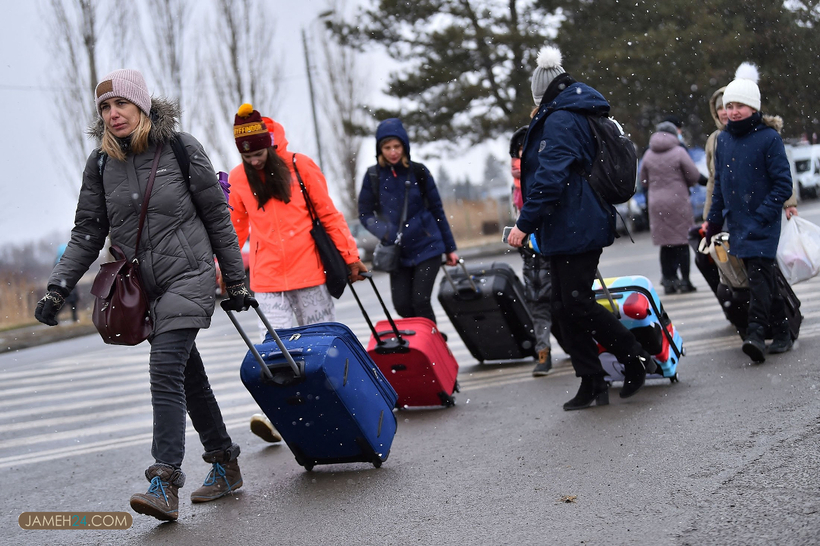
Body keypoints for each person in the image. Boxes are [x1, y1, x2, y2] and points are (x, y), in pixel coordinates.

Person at [34, 69, 254, 521]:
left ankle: (164, 480)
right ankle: (225, 461)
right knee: (187, 376)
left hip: (189, 276)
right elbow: (88, 232)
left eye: (121, 105)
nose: (113, 114)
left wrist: (235, 281)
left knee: (165, 366)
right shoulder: (99, 164)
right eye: (104, 108)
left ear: (142, 106)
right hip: (142, 286)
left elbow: (217, 218)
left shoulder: (180, 147)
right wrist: (58, 287)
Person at [506, 45, 658, 410]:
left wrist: (524, 224)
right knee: (563, 307)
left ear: (541, 94)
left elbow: (550, 178)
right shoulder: (566, 112)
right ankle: (592, 380)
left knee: (575, 303)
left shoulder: (560, 119)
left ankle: (634, 355)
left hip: (578, 224)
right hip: (567, 225)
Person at [228, 103, 367, 444]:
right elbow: (234, 229)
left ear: (269, 144)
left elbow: (329, 215)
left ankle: (338, 405)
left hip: (311, 274)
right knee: (274, 353)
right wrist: (223, 268)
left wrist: (351, 258)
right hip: (266, 280)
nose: (254, 161)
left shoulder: (299, 166)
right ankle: (278, 415)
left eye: (259, 153)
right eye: (248, 157)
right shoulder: (237, 178)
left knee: (318, 349)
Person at [704, 68, 795, 363]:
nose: (733, 112)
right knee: (762, 278)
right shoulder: (723, 141)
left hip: (764, 223)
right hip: (738, 222)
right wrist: (714, 221)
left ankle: (755, 333)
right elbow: (719, 186)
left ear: (753, 107)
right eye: (728, 106)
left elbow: (783, 184)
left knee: (758, 277)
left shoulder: (769, 139)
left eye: (739, 106)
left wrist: (763, 215)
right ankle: (782, 330)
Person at [358, 118, 458, 325]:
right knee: (403, 305)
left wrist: (450, 248)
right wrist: (386, 232)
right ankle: (425, 339)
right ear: (380, 149)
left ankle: (432, 343)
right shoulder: (373, 176)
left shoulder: (419, 172)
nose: (392, 151)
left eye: (397, 146)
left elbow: (437, 209)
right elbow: (364, 214)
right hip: (397, 251)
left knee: (420, 301)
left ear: (404, 146)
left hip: (427, 245)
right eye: (387, 147)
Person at [639, 121, 704, 295]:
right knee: (682, 242)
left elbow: (643, 180)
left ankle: (668, 281)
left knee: (665, 244)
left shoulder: (648, 154)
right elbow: (693, 175)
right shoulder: (679, 151)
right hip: (678, 201)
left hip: (656, 203)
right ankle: (685, 281)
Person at [510, 126, 554, 376]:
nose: (519, 159)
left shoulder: (543, 177)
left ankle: (578, 348)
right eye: (517, 154)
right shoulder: (517, 186)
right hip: (531, 252)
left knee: (561, 301)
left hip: (552, 246)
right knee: (538, 303)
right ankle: (543, 352)